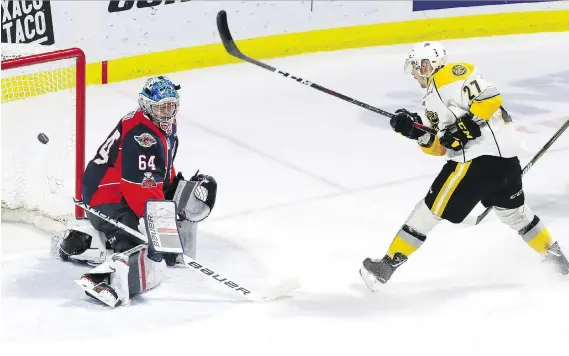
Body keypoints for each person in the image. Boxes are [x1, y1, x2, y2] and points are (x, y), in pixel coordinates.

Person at [359, 41, 569, 291]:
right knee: (516, 215)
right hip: (504, 165)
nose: (415, 74)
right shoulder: (431, 101)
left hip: (476, 162)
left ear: (429, 64)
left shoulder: (452, 74)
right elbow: (441, 147)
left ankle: (385, 267)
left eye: (418, 67)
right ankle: (558, 261)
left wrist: (464, 127)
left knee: (426, 212)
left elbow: (490, 97)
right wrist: (415, 130)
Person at [54, 75, 217, 307]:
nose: (166, 113)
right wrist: (155, 226)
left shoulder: (161, 124)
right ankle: (108, 279)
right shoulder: (144, 137)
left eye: (171, 106)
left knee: (165, 227)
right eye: (160, 108)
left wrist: (176, 188)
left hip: (120, 186)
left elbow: (161, 167)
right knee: (146, 250)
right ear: (146, 106)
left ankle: (99, 244)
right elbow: (139, 188)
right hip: (106, 197)